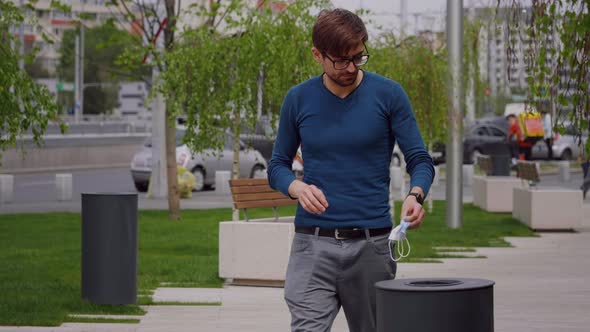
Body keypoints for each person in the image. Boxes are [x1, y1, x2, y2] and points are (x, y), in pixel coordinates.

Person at [267, 8, 435, 332]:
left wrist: (416, 195)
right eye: (341, 60)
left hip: (372, 245)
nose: (351, 67)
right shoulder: (298, 99)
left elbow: (420, 159)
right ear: (318, 55)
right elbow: (277, 167)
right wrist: (297, 188)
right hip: (312, 244)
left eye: (358, 56)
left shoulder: (388, 94)